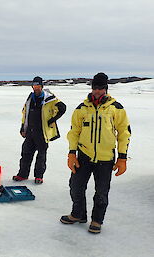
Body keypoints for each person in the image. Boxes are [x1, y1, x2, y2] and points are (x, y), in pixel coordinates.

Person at [60, 72, 131, 234]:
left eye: (100, 88)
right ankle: (78, 214)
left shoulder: (116, 108)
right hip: (84, 156)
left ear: (106, 89)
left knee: (101, 192)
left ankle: (97, 220)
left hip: (105, 158)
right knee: (76, 187)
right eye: (95, 87)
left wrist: (122, 157)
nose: (97, 91)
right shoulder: (82, 108)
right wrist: (72, 153)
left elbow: (124, 133)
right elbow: (74, 132)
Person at [13, 76, 66, 184]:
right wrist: (23, 127)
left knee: (41, 156)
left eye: (38, 86)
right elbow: (25, 114)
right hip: (30, 131)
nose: (36, 88)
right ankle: (22, 175)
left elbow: (63, 108)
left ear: (42, 86)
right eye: (34, 86)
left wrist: (52, 120)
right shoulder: (30, 99)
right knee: (26, 153)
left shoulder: (50, 99)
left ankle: (39, 176)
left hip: (42, 132)